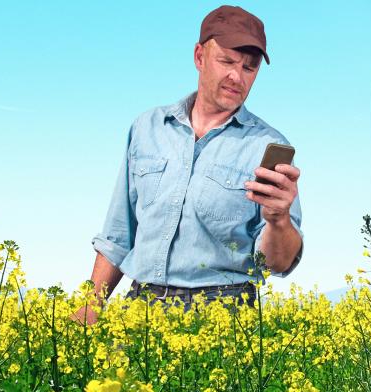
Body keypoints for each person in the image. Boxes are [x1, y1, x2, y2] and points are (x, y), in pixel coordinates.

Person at [73, 5, 303, 326]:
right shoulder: (147, 127)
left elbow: (277, 263)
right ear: (199, 57)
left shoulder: (266, 146)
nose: (237, 76)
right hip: (142, 306)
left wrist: (279, 220)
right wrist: (90, 306)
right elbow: (119, 233)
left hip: (224, 314)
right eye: (227, 61)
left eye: (249, 68)